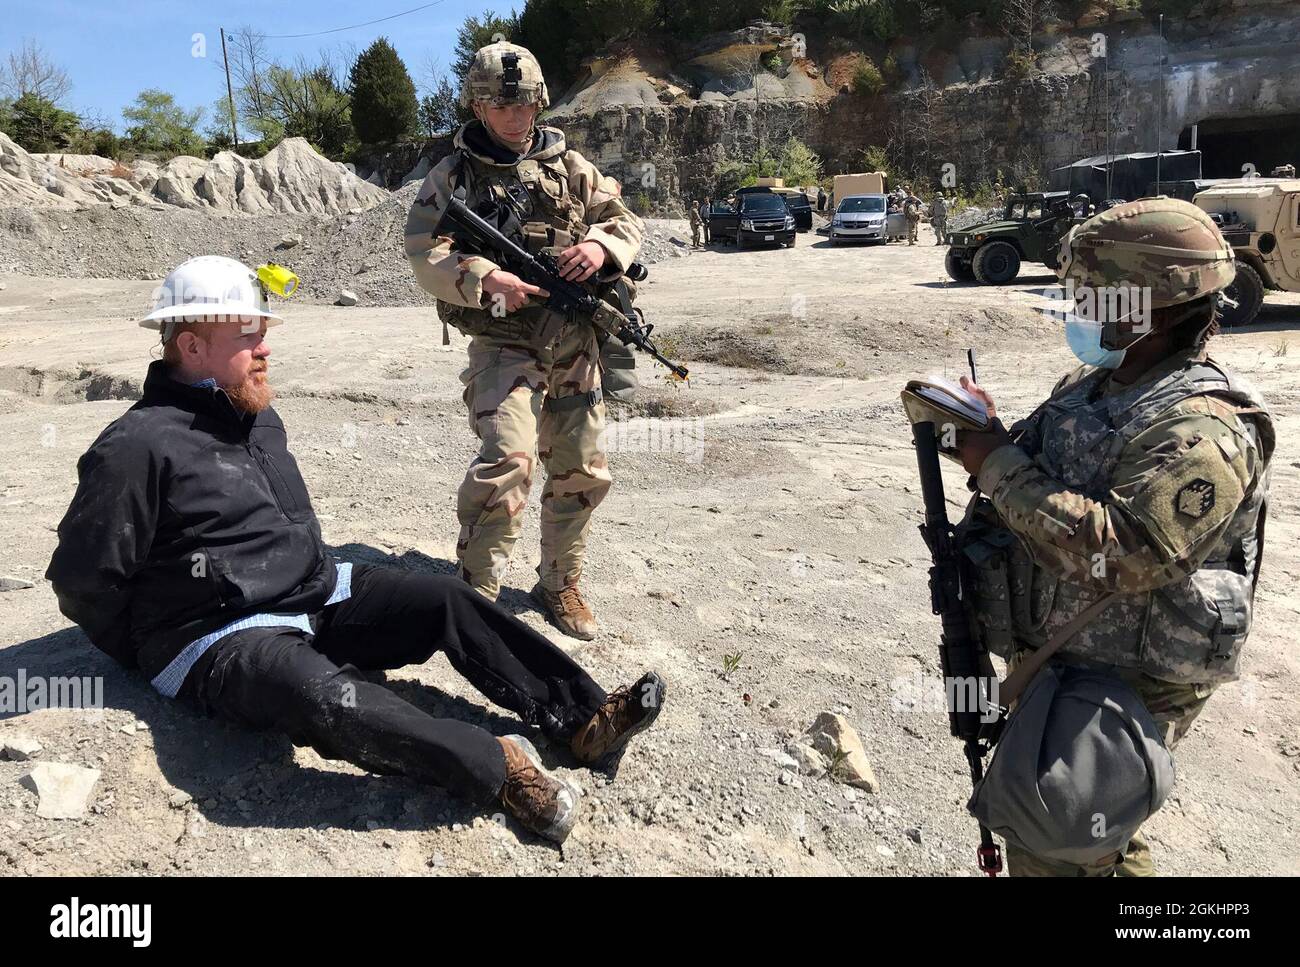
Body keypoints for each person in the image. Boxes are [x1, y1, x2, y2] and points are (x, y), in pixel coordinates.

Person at [46, 256, 667, 845]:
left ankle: (583, 717)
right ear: (191, 347)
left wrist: (315, 581)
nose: (265, 348)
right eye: (248, 335)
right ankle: (498, 771)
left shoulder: (254, 413)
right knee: (320, 693)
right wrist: (149, 653)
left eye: (264, 331)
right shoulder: (134, 446)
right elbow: (84, 578)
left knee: (445, 597)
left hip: (315, 592)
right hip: (218, 635)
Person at [954, 198, 1273, 875]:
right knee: (1069, 835)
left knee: (1063, 838)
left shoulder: (1207, 427)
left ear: (1147, 307)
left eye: (1091, 293)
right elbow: (1043, 466)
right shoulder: (1095, 385)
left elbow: (1124, 554)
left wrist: (995, 464)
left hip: (1127, 678)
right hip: (1061, 658)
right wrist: (987, 431)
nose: (1079, 308)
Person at [405, 42, 643, 639]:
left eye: (527, 103)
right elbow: (423, 251)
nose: (517, 117)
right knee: (508, 460)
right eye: (502, 105)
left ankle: (561, 583)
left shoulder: (570, 167)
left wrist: (600, 247)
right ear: (479, 107)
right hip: (505, 340)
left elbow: (622, 221)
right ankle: (477, 593)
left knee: (581, 468)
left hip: (573, 339)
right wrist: (485, 278)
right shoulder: (452, 176)